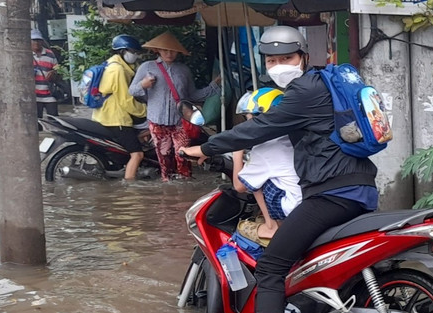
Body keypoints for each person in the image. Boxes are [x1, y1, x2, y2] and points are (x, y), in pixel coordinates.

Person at [182, 26, 379, 313]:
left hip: (331, 193)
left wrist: (205, 148)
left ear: (303, 56)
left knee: (272, 266)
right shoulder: (328, 83)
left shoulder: (303, 92)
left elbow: (260, 128)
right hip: (361, 187)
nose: (279, 66)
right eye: (271, 60)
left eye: (286, 58)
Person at [129, 31, 217, 181]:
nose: (169, 53)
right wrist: (143, 84)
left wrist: (214, 86)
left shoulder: (184, 70)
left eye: (172, 51)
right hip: (157, 121)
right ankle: (168, 184)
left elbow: (193, 95)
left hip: (179, 121)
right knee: (164, 157)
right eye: (165, 50)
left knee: (183, 155)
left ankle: (185, 183)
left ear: (178, 52)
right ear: (157, 50)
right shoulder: (147, 67)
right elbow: (132, 90)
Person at [230, 87, 302, 243]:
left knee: (255, 182)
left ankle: (271, 226)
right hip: (308, 203)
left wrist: (237, 154)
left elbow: (239, 186)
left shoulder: (264, 149)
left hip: (290, 208)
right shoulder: (291, 137)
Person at [90, 34, 148, 181]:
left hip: (103, 116)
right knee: (137, 154)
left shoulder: (112, 65)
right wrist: (146, 111)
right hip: (117, 119)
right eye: (132, 52)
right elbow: (125, 100)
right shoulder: (118, 70)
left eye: (136, 52)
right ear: (122, 51)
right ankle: (129, 188)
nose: (135, 55)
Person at [31, 28, 60, 120]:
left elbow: (58, 69)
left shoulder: (50, 54)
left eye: (38, 40)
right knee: (36, 124)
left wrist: (54, 72)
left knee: (54, 121)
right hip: (34, 96)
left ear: (42, 41)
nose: (37, 43)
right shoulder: (26, 55)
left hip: (49, 94)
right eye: (34, 40)